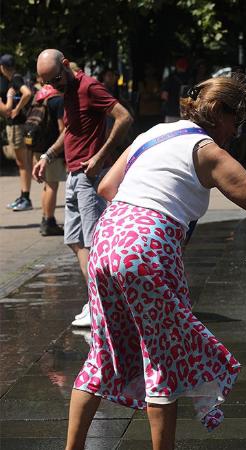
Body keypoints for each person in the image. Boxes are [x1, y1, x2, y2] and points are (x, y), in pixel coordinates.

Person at [61, 75, 246, 450]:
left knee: (101, 353)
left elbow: (105, 188)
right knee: (163, 362)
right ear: (217, 112)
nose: (237, 130)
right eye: (237, 120)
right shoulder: (207, 150)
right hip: (146, 249)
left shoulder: (153, 134)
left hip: (106, 238)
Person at [32, 49, 134, 328]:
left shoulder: (89, 87)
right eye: (48, 84)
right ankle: (97, 301)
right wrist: (47, 156)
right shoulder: (66, 91)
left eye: (55, 80)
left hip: (90, 176)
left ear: (65, 65)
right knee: (75, 241)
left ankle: (103, 305)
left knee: (92, 243)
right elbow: (70, 129)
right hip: (73, 175)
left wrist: (100, 157)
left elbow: (124, 117)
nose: (54, 87)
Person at [29, 82, 67, 236]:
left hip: (38, 147)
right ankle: (49, 221)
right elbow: (62, 128)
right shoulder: (58, 100)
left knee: (46, 185)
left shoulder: (40, 96)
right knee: (52, 185)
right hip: (51, 149)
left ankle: (45, 218)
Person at [1, 54, 34, 211]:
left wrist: (16, 109)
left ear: (2, 67)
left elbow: (27, 93)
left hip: (18, 126)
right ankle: (23, 196)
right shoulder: (16, 77)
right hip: (20, 125)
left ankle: (25, 198)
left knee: (23, 164)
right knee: (22, 163)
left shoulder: (15, 79)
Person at [161, 58, 191, 123]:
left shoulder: (170, 78)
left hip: (171, 111)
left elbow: (164, 96)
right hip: (185, 111)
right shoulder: (190, 78)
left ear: (176, 66)